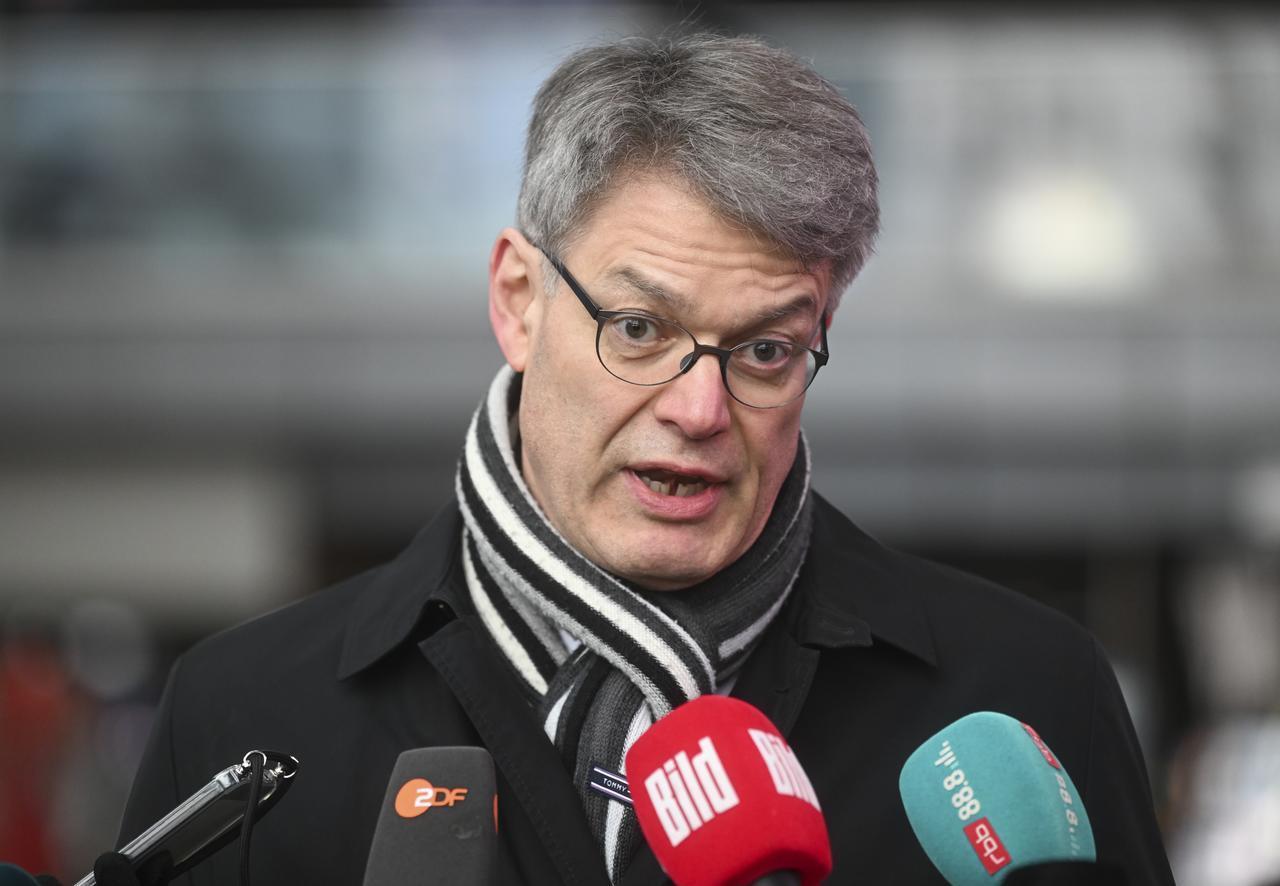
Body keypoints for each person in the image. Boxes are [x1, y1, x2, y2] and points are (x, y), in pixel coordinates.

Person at [115, 33, 1175, 884]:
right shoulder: (244, 711)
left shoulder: (1023, 693)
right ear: (518, 302)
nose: (699, 406)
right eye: (639, 329)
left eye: (764, 349)